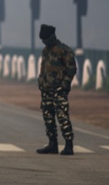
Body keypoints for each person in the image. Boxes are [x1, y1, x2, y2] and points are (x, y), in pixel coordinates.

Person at [36, 24, 77, 156]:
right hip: (46, 90)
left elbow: (71, 69)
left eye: (45, 39)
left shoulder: (64, 50)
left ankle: (69, 145)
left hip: (59, 90)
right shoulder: (45, 51)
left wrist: (65, 84)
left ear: (52, 37)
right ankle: (52, 144)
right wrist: (41, 82)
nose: (44, 42)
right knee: (48, 118)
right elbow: (44, 69)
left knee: (63, 117)